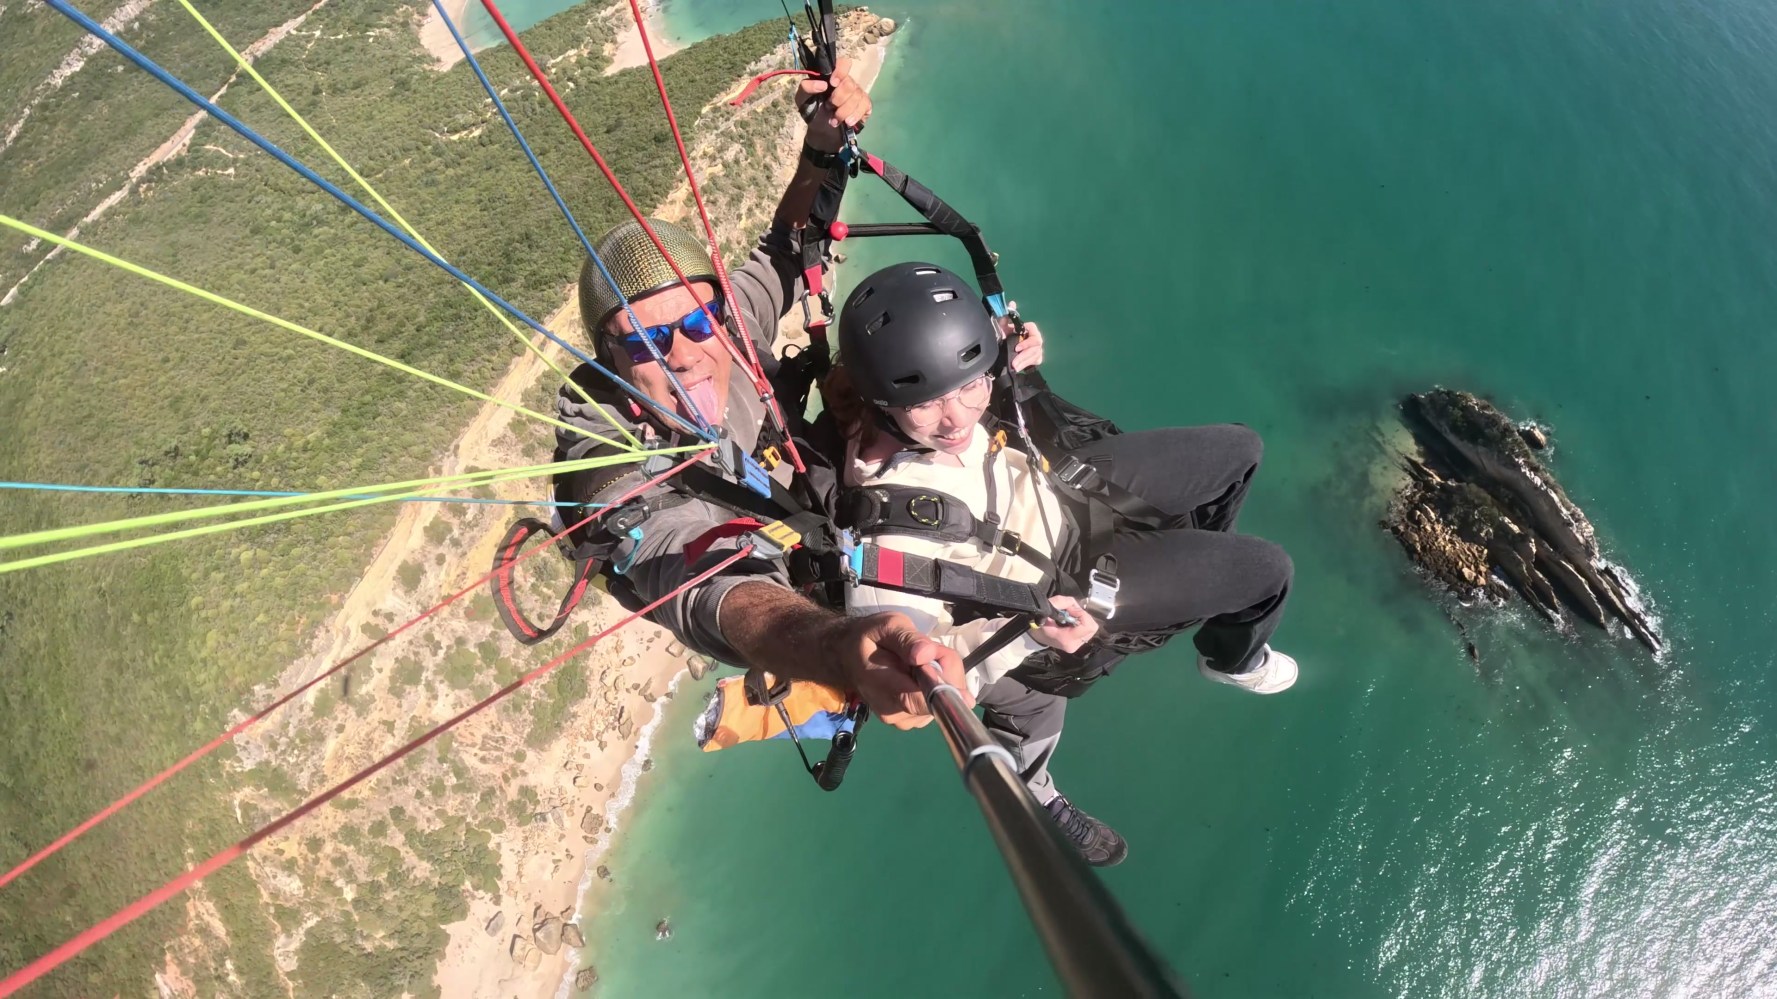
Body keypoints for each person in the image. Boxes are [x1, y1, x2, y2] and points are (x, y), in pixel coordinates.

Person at [824, 261, 1300, 865]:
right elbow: (946, 680)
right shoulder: (888, 537)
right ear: (884, 400)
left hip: (1062, 500)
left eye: (970, 384)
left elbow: (968, 393)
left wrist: (1015, 362)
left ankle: (1192, 575)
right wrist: (1031, 637)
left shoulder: (931, 409)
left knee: (1239, 449)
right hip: (1052, 599)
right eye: (927, 402)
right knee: (1267, 572)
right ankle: (1219, 668)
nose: (957, 418)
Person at [549, 59, 976, 729]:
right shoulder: (605, 454)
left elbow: (783, 249)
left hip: (800, 483)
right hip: (778, 566)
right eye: (647, 342)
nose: (684, 353)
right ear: (612, 362)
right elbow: (704, 583)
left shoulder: (728, 325)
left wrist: (821, 149)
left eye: (697, 322)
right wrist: (833, 648)